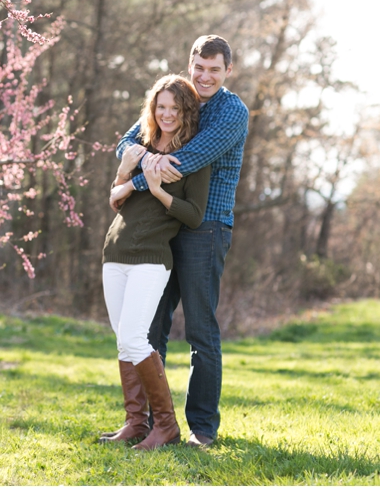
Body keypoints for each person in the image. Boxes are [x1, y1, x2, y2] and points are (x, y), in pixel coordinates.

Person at [110, 35, 249, 449]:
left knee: (201, 330)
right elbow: (126, 141)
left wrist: (127, 185)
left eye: (214, 70)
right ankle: (153, 423)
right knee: (150, 326)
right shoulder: (181, 97)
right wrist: (138, 158)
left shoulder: (232, 111)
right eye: (199, 68)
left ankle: (202, 429)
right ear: (191, 65)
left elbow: (185, 161)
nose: (205, 77)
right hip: (162, 225)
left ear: (227, 71)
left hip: (205, 227)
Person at [99, 75, 210, 451]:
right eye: (161, 107)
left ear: (186, 113)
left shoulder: (193, 157)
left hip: (151, 257)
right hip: (115, 251)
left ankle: (166, 426)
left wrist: (160, 191)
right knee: (123, 343)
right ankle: (135, 423)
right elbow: (114, 197)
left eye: (175, 109)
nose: (167, 114)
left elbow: (193, 216)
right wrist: (126, 177)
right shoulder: (139, 146)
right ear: (152, 109)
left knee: (135, 337)